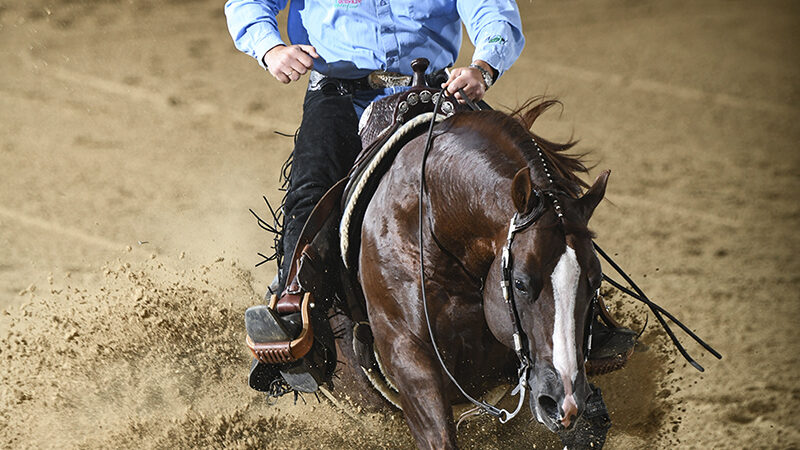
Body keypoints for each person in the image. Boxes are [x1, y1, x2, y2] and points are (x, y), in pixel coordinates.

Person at [225, 1, 635, 393]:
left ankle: (583, 320)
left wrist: (484, 67)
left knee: (539, 187)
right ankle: (296, 314)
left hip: (441, 91)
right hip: (339, 97)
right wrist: (271, 48)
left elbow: (490, 9)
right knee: (310, 194)